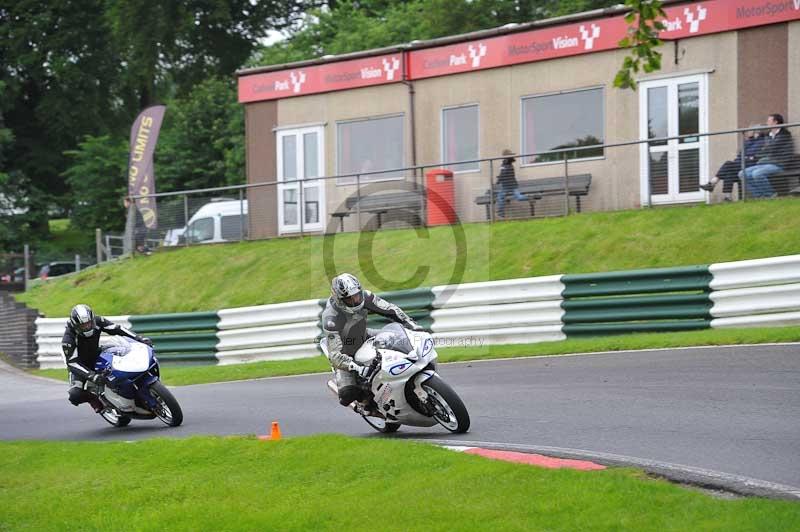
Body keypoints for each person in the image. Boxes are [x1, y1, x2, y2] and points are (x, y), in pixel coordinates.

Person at [322, 273, 424, 407]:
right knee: (347, 395)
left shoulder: (367, 297)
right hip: (345, 353)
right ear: (339, 299)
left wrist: (410, 324)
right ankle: (366, 404)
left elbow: (390, 309)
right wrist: (354, 366)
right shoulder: (331, 317)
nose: (355, 300)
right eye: (350, 299)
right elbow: (334, 355)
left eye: (357, 295)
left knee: (399, 342)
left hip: (365, 336)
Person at [62, 304, 152, 412]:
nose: (87, 327)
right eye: (83, 326)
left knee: (121, 363)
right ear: (75, 325)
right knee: (74, 395)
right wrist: (91, 376)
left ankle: (130, 393)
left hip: (97, 354)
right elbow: (72, 363)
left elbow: (117, 329)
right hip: (81, 365)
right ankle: (92, 398)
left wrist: (139, 338)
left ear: (92, 319)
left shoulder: (98, 321)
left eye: (88, 323)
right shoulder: (68, 339)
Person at [700, 125, 765, 200]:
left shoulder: (760, 141)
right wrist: (745, 155)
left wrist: (745, 156)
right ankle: (728, 197)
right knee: (729, 174)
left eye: (751, 131)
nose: (749, 133)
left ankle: (712, 183)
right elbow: (741, 154)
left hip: (749, 165)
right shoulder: (749, 141)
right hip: (740, 163)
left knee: (728, 163)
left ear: (757, 132)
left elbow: (750, 152)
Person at [739, 114, 794, 198]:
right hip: (766, 162)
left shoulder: (785, 134)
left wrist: (758, 155)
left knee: (757, 173)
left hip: (779, 164)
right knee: (742, 173)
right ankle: (759, 196)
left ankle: (771, 195)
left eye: (769, 121)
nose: (767, 123)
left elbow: (771, 148)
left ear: (775, 122)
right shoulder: (768, 135)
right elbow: (765, 149)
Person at [495, 148, 526, 218]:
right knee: (500, 197)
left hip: (510, 186)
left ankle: (530, 197)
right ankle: (501, 214)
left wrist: (498, 180)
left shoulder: (508, 165)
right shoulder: (505, 164)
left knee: (519, 197)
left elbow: (503, 174)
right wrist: (499, 179)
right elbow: (502, 174)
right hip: (507, 186)